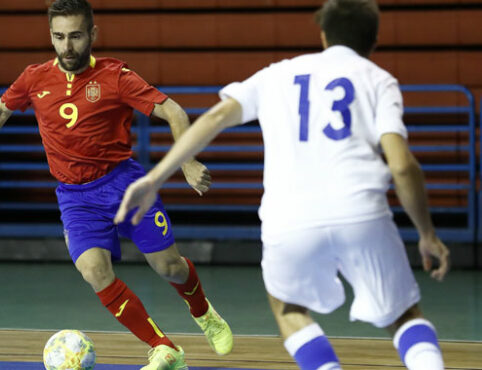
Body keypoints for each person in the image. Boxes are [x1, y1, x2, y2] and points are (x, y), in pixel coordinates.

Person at [114, 0, 450, 369]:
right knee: (404, 317)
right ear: (375, 40)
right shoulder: (378, 80)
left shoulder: (278, 74)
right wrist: (427, 234)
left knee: (289, 309)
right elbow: (402, 166)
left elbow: (215, 118)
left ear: (323, 35)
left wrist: (155, 177)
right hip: (361, 212)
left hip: (289, 221)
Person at [0, 0, 233, 368]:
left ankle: (203, 311)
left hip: (124, 185)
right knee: (94, 271)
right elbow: (0, 109)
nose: (67, 46)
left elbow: (172, 110)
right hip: (75, 197)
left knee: (168, 267)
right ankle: (165, 349)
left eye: (76, 36)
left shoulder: (116, 76)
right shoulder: (34, 78)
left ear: (93, 34)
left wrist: (187, 161)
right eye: (59, 37)